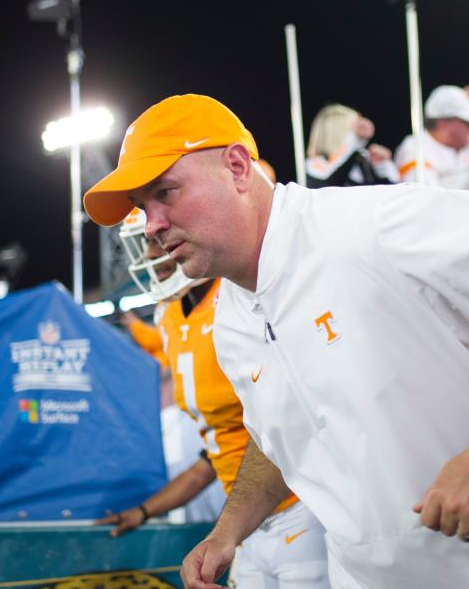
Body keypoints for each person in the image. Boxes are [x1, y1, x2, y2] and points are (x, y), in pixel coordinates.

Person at [83, 94, 469, 588]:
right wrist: (229, 530)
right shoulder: (231, 314)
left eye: (165, 192)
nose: (151, 223)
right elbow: (280, 433)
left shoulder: (370, 226)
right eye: (141, 208)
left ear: (235, 166)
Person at [97, 208, 330, 589]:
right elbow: (215, 452)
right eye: (145, 243)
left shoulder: (238, 299)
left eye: (157, 241)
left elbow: (288, 419)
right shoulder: (168, 317)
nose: (152, 254)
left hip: (299, 508)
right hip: (245, 524)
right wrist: (144, 511)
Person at [305, 105, 398, 188]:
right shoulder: (313, 164)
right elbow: (327, 185)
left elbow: (391, 195)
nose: (359, 136)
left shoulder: (359, 161)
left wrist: (382, 166)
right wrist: (353, 146)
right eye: (355, 130)